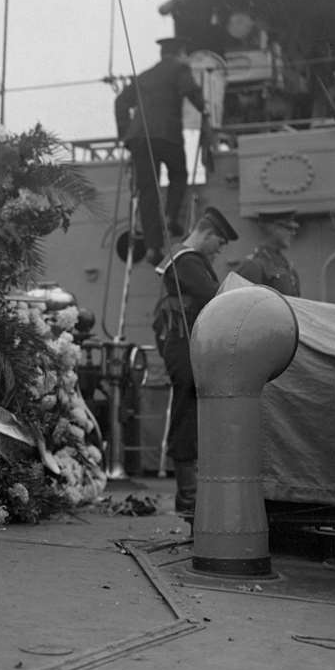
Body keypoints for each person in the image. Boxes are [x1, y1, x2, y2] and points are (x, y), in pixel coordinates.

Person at [152, 206, 238, 520]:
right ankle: (187, 497)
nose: (219, 250)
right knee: (187, 415)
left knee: (192, 413)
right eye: (219, 242)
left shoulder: (189, 261)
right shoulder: (186, 262)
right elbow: (213, 294)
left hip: (188, 346)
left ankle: (191, 494)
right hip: (185, 348)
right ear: (206, 233)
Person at [114, 36, 207, 266]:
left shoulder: (144, 75)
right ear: (181, 53)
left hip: (140, 138)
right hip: (167, 134)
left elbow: (120, 102)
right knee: (179, 174)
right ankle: (170, 216)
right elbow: (189, 90)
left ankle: (153, 246)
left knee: (148, 189)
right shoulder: (180, 68)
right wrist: (205, 110)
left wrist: (125, 133)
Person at [235, 210, 301, 296]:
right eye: (288, 228)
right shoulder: (253, 265)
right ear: (272, 228)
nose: (293, 233)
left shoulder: (286, 265)